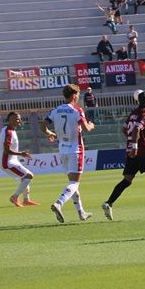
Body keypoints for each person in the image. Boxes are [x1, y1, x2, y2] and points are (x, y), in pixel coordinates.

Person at [102, 90, 145, 220]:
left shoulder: (133, 113)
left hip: (131, 152)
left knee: (127, 180)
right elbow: (136, 129)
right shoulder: (144, 114)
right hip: (142, 152)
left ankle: (109, 203)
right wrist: (136, 146)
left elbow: (124, 129)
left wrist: (131, 141)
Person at [41, 85, 96, 223]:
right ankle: (59, 203)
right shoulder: (77, 110)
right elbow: (86, 128)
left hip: (62, 150)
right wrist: (91, 125)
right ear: (73, 95)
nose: (78, 97)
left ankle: (81, 212)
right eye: (78, 94)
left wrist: (50, 133)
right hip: (75, 149)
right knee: (74, 183)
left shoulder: (56, 110)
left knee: (72, 183)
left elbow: (43, 125)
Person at [0, 112, 39, 207]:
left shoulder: (10, 130)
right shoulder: (8, 132)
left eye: (19, 119)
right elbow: (6, 150)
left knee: (25, 177)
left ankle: (26, 200)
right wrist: (21, 154)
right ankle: (15, 197)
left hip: (13, 161)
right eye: (15, 119)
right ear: (9, 120)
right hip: (7, 162)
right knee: (29, 176)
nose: (18, 120)